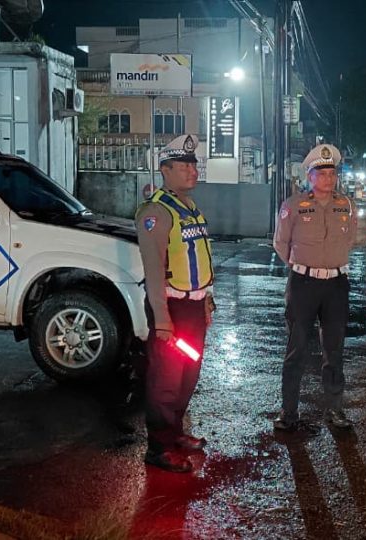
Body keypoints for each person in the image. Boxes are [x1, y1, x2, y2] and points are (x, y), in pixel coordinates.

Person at [135, 134, 216, 473]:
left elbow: (200, 256)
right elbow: (154, 270)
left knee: (188, 374)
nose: (192, 170)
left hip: (194, 307)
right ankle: (159, 447)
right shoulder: (156, 212)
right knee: (166, 380)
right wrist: (162, 319)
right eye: (183, 165)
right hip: (171, 307)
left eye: (193, 164)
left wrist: (207, 300)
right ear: (165, 169)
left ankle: (175, 432)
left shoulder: (189, 207)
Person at [272, 143, 358, 432]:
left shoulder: (345, 204)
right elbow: (281, 243)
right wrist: (302, 267)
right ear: (309, 176)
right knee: (296, 350)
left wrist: (329, 264)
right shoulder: (293, 206)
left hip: (336, 285)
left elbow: (349, 241)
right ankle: (289, 412)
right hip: (303, 286)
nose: (328, 179)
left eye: (332, 173)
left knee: (334, 350)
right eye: (321, 173)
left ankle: (335, 409)